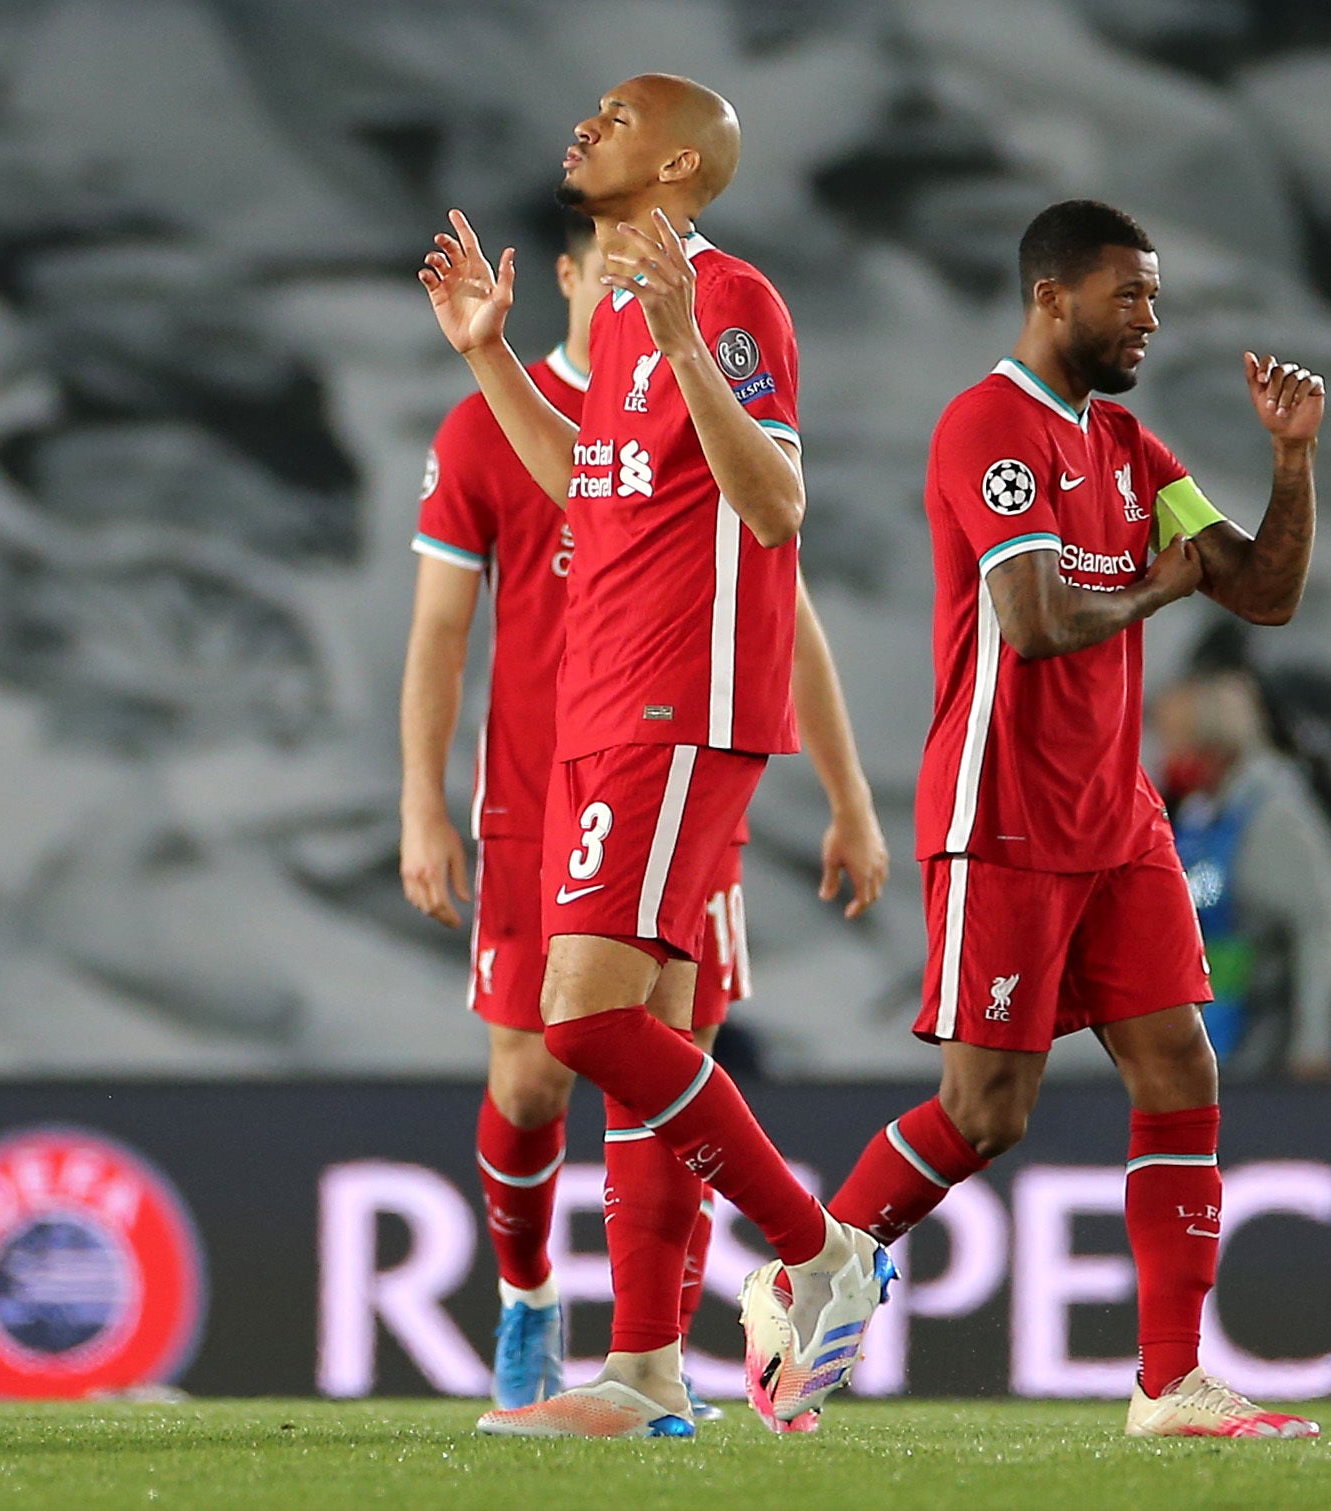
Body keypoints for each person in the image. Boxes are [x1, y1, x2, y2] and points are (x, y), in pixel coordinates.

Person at [418, 74, 894, 1438]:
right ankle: (643, 1371)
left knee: (582, 1018)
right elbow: (595, 482)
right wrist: (489, 356)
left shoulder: (723, 299)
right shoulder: (622, 310)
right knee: (649, 1040)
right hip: (603, 704)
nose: (584, 124)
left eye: (618, 115)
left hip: (675, 702)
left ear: (677, 161)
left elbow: (779, 499)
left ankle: (820, 1248)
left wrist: (691, 344)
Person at [820, 199, 1324, 1438]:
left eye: (1154, 297)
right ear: (1051, 297)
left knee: (1180, 1063)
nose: (1147, 318)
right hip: (1003, 806)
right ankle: (812, 1265)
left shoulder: (1131, 448)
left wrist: (1292, 462)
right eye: (1127, 296)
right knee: (987, 1109)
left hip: (1115, 817)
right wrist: (1163, 578)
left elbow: (1259, 592)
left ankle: (1167, 1380)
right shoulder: (988, 427)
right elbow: (1034, 621)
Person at [1151, 670, 1331, 1079]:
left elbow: (1319, 928)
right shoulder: (1202, 813)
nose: (1166, 756)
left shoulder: (1272, 816)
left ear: (1211, 747)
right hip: (1216, 1033)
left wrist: (1316, 1045)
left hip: (1267, 1045)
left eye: (1176, 744)